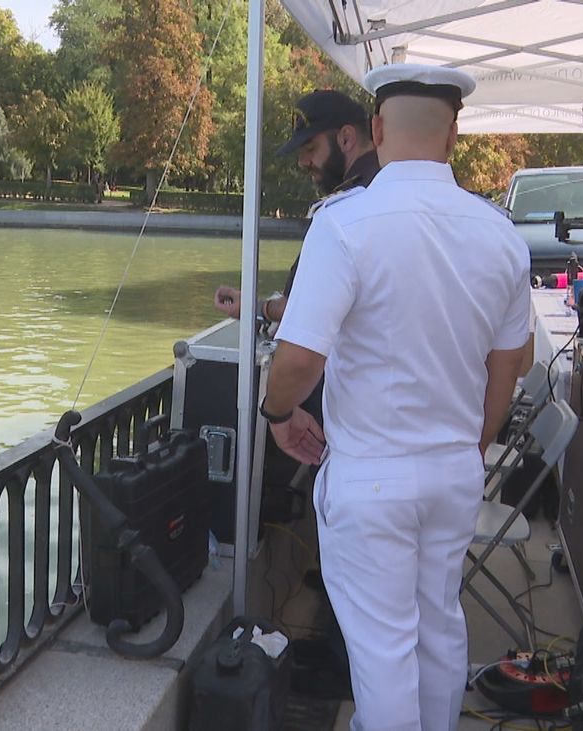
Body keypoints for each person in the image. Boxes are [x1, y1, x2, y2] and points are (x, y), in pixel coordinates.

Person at [260, 64, 531, 730]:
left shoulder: (346, 223)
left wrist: (276, 414)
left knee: (383, 648)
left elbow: (298, 358)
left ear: (377, 130)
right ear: (455, 133)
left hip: (372, 475)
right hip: (453, 470)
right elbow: (512, 363)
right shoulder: (499, 233)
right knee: (438, 626)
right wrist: (473, 446)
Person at [213, 89, 379, 324]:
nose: (302, 162)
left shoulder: (344, 210)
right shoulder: (392, 187)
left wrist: (259, 307)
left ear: (346, 138)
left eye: (311, 148)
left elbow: (303, 309)